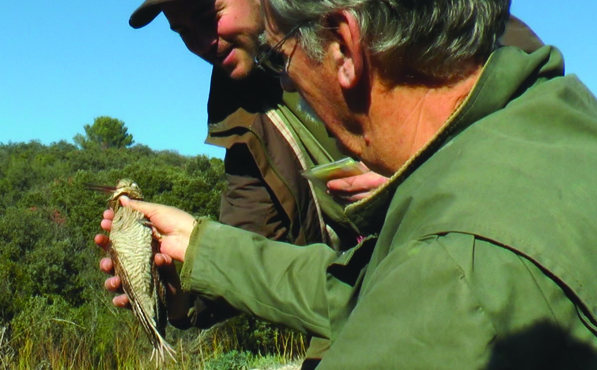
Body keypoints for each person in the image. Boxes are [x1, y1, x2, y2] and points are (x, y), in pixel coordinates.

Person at [100, 0, 597, 367]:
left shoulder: (450, 273)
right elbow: (357, 287)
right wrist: (198, 253)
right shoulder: (559, 116)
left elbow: (424, 294)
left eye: (282, 59)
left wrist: (417, 172)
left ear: (344, 48)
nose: (290, 86)